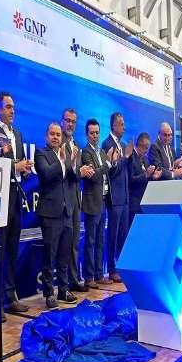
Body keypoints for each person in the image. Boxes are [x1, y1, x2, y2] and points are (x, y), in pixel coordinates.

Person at [0, 92, 33, 330]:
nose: (12, 110)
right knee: (0, 250)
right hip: (0, 197)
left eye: (13, 106)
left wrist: (24, 169)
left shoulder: (17, 134)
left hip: (16, 196)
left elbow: (20, 162)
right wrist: (15, 165)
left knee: (13, 249)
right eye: (7, 106)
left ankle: (10, 296)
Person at [35, 123, 78, 309]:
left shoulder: (66, 155)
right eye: (52, 134)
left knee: (64, 255)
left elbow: (74, 178)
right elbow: (46, 174)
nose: (55, 137)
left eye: (58, 135)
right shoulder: (41, 153)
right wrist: (62, 161)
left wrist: (73, 163)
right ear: (47, 136)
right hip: (50, 213)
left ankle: (63, 289)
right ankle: (48, 293)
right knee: (49, 255)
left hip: (66, 212)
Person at [102, 113, 133, 283]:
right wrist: (125, 157)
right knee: (113, 235)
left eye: (124, 123)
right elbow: (111, 171)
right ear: (113, 126)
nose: (124, 127)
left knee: (123, 235)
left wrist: (130, 156)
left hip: (125, 197)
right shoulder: (107, 144)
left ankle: (122, 267)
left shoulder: (123, 145)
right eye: (121, 124)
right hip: (114, 198)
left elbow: (126, 170)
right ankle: (112, 269)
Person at [81, 119, 112, 288]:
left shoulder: (102, 152)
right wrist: (107, 164)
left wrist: (111, 163)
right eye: (92, 133)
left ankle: (99, 274)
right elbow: (93, 175)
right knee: (91, 241)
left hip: (103, 201)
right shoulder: (85, 152)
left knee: (100, 240)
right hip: (92, 202)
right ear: (87, 135)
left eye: (97, 133)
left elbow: (106, 172)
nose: (95, 136)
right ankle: (89, 277)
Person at [60, 108, 88, 293]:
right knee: (65, 243)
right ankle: (65, 282)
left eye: (73, 121)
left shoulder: (76, 144)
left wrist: (84, 171)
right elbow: (66, 170)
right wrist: (80, 171)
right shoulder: (58, 142)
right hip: (63, 200)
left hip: (76, 198)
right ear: (62, 121)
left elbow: (76, 173)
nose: (70, 124)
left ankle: (74, 278)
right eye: (67, 120)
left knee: (74, 242)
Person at [128, 132, 162, 225]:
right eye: (146, 148)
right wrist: (146, 175)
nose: (147, 151)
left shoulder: (145, 159)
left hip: (144, 203)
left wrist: (153, 176)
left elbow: (147, 177)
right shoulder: (131, 157)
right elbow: (130, 180)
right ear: (140, 145)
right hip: (134, 204)